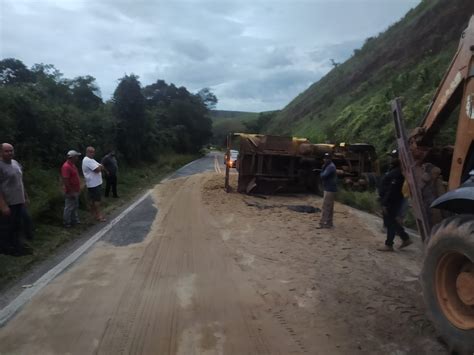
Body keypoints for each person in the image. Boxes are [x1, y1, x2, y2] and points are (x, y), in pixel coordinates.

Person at [0, 143, 33, 256]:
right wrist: (3, 205)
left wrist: (25, 196)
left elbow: (20, 181)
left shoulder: (15, 163)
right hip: (9, 202)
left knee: (20, 224)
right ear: (1, 152)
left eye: (11, 150)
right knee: (9, 227)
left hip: (19, 200)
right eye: (6, 151)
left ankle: (18, 246)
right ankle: (8, 249)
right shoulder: (1, 166)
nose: (10, 153)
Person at [377, 150, 413, 251]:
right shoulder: (394, 170)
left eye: (393, 157)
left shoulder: (398, 172)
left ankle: (389, 245)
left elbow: (392, 190)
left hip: (392, 201)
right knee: (392, 220)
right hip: (390, 200)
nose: (391, 159)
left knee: (390, 223)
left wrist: (385, 203)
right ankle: (405, 238)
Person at [82, 146, 106, 222]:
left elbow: (102, 166)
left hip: (96, 183)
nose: (93, 153)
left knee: (93, 200)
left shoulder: (91, 160)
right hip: (93, 184)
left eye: (93, 152)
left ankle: (93, 215)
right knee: (97, 200)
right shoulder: (87, 160)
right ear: (87, 152)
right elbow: (98, 169)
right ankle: (98, 216)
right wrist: (100, 167)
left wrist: (100, 167)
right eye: (91, 152)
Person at [61, 150, 82, 227]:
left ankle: (74, 220)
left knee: (75, 206)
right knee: (69, 207)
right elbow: (66, 180)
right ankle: (67, 222)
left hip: (76, 190)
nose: (77, 158)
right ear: (72, 157)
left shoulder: (73, 165)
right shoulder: (66, 167)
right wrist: (71, 191)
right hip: (70, 191)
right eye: (76, 156)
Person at [318, 153, 337, 228]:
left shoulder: (330, 167)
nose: (325, 159)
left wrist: (321, 170)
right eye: (325, 158)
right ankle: (329, 223)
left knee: (326, 207)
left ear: (330, 159)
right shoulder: (330, 166)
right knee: (329, 207)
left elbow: (323, 175)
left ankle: (323, 223)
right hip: (330, 188)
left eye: (327, 158)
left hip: (329, 189)